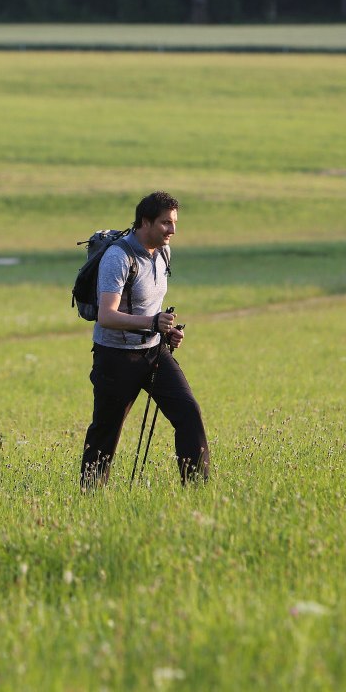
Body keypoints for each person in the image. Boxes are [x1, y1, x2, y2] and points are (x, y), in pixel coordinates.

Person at [80, 191, 209, 488]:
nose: (172, 230)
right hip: (115, 357)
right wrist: (152, 322)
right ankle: (89, 497)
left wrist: (166, 328)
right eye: (165, 223)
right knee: (106, 433)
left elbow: (149, 303)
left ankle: (199, 491)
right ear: (145, 222)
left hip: (153, 352)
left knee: (189, 414)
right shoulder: (118, 258)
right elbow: (106, 315)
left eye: (174, 223)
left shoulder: (163, 253)